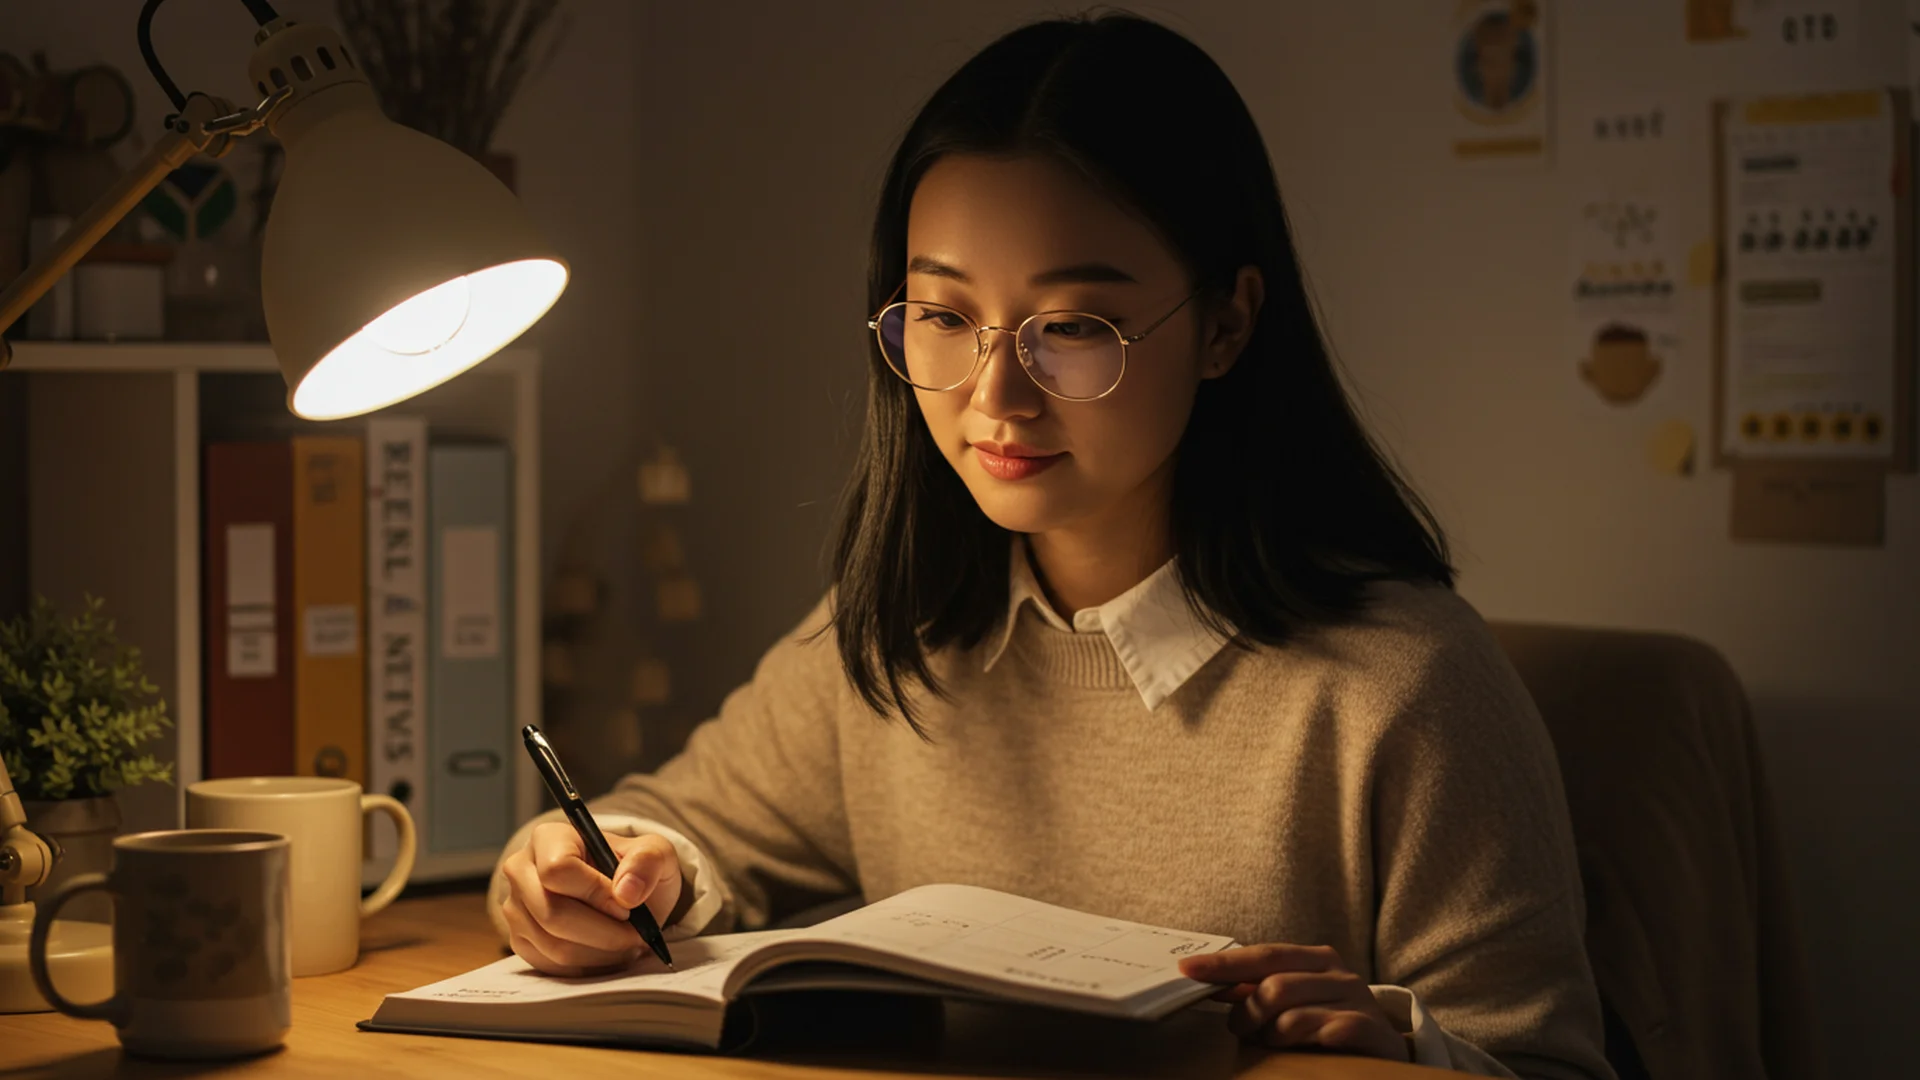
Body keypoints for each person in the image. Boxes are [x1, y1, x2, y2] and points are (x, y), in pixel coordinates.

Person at [493, 12, 1614, 1078]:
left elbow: (1541, 1063)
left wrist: (1404, 1049)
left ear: (1225, 324)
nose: (996, 395)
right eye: (942, 316)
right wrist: (594, 870)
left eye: (1073, 328)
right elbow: (684, 825)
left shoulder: (1402, 689)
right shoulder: (902, 630)